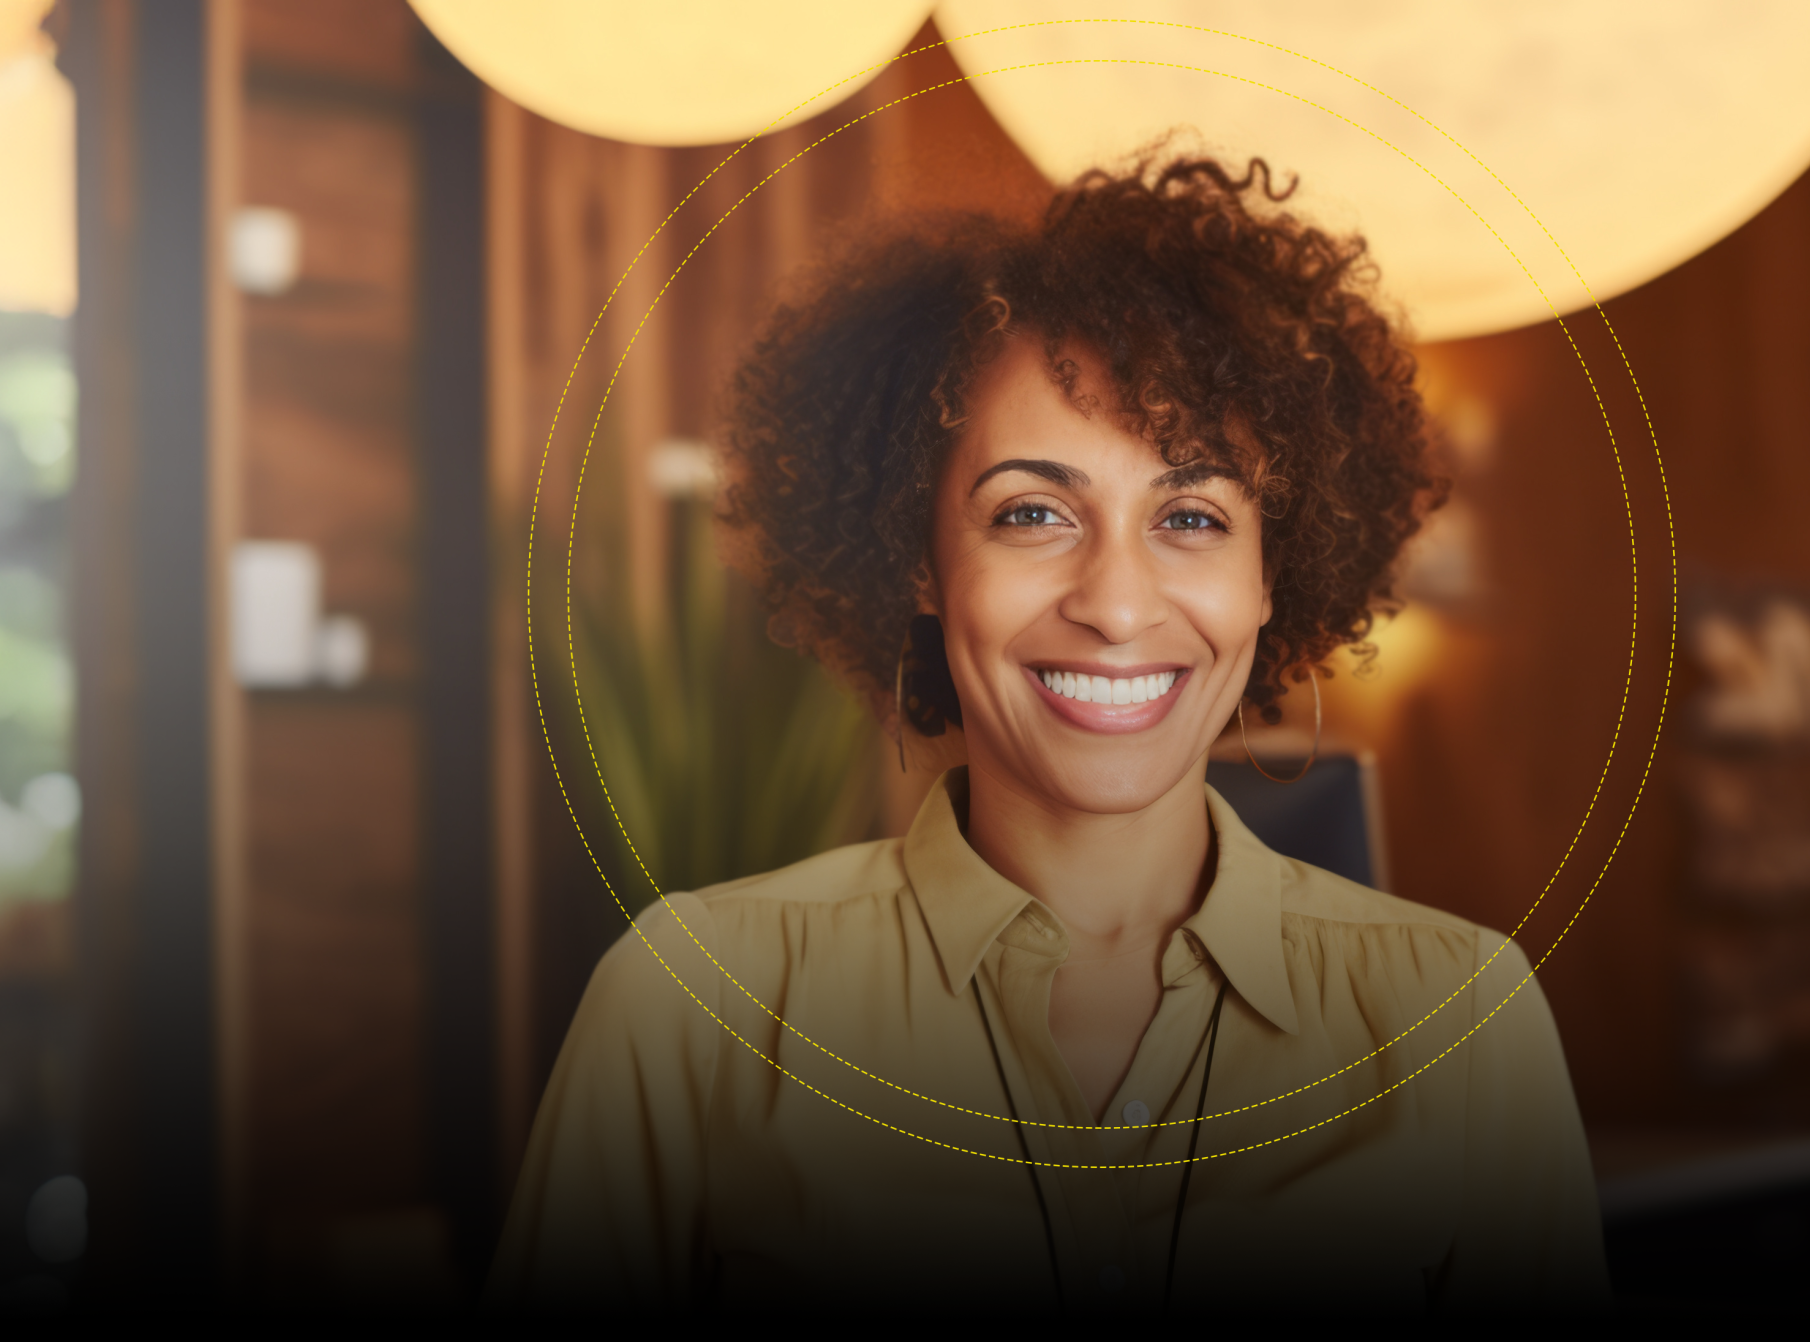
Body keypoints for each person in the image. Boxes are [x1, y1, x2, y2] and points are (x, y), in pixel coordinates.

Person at [488, 156, 1607, 1315]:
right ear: (919, 561)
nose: (1117, 604)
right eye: (1031, 513)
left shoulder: (1467, 1025)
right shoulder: (690, 1008)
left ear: (1272, 574)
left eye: (1190, 515)